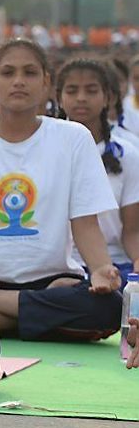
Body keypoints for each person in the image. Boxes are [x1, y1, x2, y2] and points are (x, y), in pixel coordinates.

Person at [0, 39, 123, 341]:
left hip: (49, 283)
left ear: (46, 83)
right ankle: (39, 319)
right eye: (8, 73)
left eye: (30, 73)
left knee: (109, 307)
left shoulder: (73, 138)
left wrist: (100, 268)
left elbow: (85, 223)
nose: (19, 81)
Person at [58, 59, 139, 286]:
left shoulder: (128, 154)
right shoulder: (44, 150)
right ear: (59, 98)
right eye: (72, 91)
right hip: (61, 266)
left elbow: (132, 232)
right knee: (62, 289)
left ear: (108, 98)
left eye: (91, 91)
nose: (81, 98)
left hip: (114, 264)